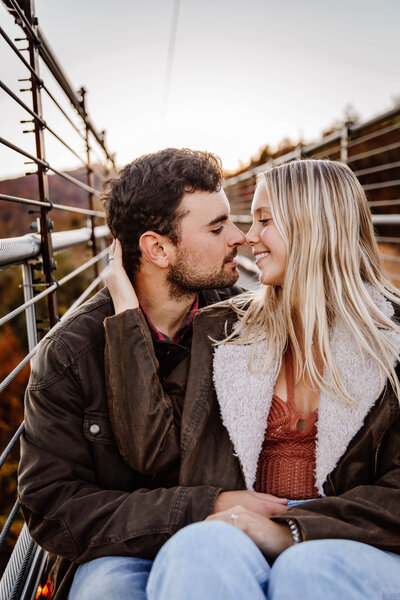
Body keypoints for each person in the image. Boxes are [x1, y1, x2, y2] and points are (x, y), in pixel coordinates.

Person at [105, 159, 400, 599]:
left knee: (306, 571)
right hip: (240, 528)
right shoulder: (222, 328)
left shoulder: (391, 340)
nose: (247, 237)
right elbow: (154, 453)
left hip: (355, 541)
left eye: (264, 220)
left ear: (313, 226)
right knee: (196, 551)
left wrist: (292, 531)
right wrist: (128, 315)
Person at [19, 148, 289, 600]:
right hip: (117, 553)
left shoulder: (246, 322)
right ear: (157, 248)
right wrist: (202, 507)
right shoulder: (69, 355)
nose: (240, 238)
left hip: (228, 538)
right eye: (218, 227)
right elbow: (53, 508)